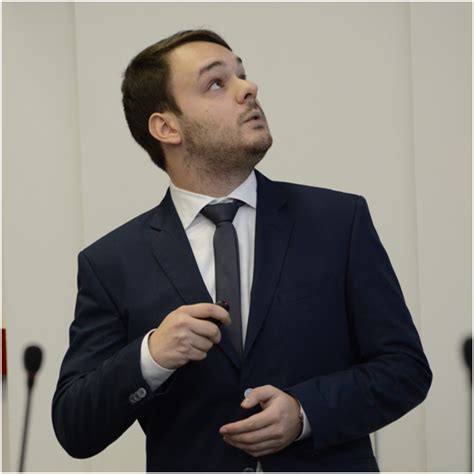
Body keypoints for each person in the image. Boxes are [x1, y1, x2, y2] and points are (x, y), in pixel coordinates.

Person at [52, 29, 432, 472]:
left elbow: (405, 369)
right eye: (217, 83)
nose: (249, 88)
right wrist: (151, 356)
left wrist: (305, 412)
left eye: (242, 75)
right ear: (167, 127)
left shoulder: (338, 222)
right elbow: (75, 427)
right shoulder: (111, 262)